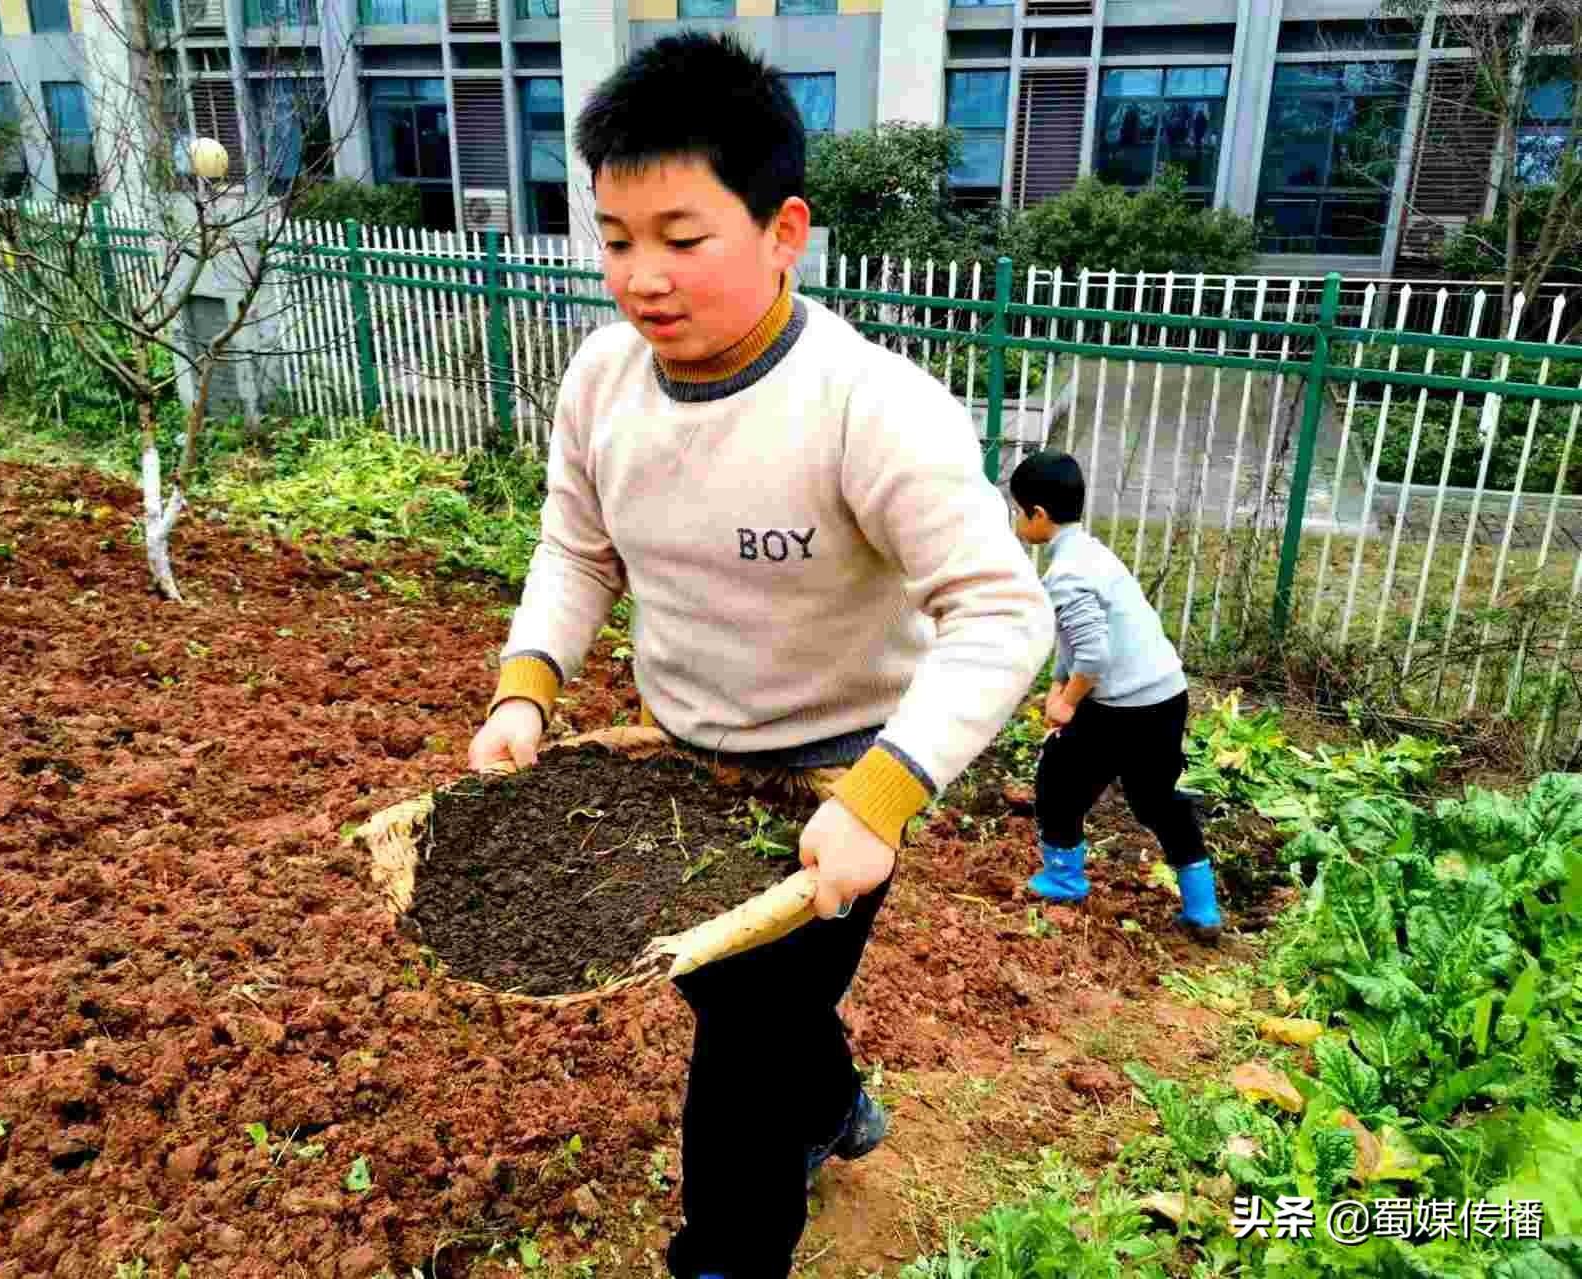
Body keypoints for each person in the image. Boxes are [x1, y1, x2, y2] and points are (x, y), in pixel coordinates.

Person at [465, 31, 1055, 1279]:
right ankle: (834, 1104)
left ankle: (728, 1255)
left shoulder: (867, 404)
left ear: (784, 230)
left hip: (835, 784)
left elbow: (1002, 612)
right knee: (743, 1004)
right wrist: (528, 687)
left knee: (735, 1047)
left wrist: (880, 800)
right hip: (678, 770)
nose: (641, 277)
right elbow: (576, 552)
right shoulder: (601, 381)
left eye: (682, 238)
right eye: (615, 238)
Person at [1007, 449, 1222, 942]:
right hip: (1166, 695)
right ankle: (1203, 907)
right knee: (1155, 800)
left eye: (1019, 511)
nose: (1018, 521)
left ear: (1038, 515)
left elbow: (1095, 656)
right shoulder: (1095, 555)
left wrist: (1066, 701)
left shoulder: (1065, 575)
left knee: (1058, 781)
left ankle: (1063, 879)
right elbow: (1079, 641)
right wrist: (1060, 686)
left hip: (1122, 705)